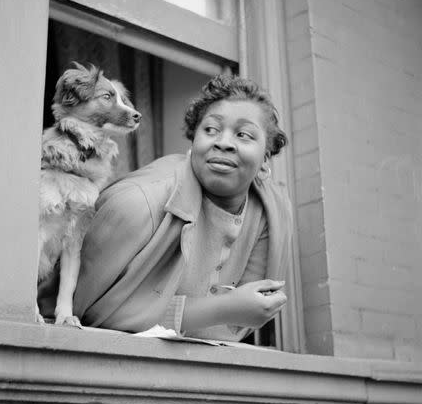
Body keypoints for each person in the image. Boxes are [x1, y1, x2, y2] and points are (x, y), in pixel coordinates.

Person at [39, 74, 294, 342]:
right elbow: (87, 313)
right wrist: (221, 309)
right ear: (193, 142)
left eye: (243, 135)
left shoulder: (272, 214)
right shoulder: (135, 203)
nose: (224, 142)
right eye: (210, 130)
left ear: (266, 158)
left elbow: (232, 328)